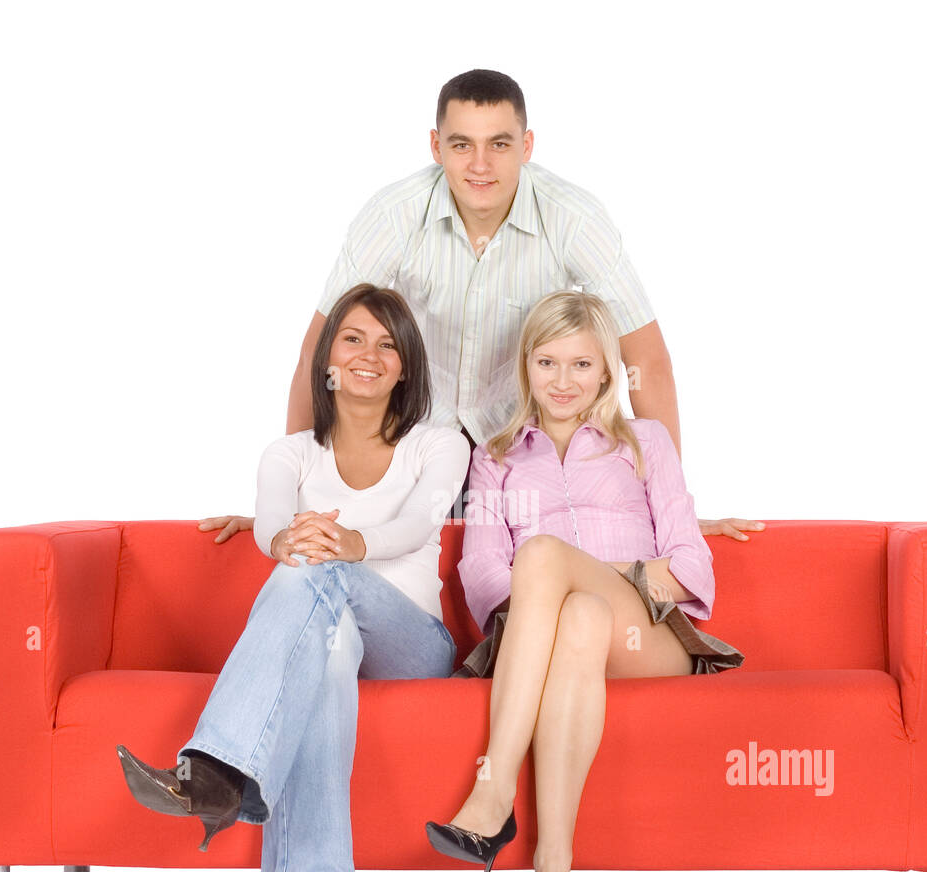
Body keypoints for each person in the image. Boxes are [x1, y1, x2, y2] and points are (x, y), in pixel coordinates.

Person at [199, 68, 763, 545]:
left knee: (548, 563)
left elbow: (646, 361)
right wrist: (296, 498)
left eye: (500, 144)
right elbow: (319, 356)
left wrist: (674, 514)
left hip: (523, 439)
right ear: (435, 146)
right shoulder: (394, 215)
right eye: (461, 144)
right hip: (416, 434)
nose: (480, 165)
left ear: (528, 146)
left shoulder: (574, 217)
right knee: (393, 555)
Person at [116, 284, 470, 872]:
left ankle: (216, 772)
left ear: (407, 367)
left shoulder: (439, 444)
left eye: (389, 345)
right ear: (328, 359)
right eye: (354, 339)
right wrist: (282, 542)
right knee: (327, 646)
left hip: (413, 642)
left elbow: (422, 519)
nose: (370, 355)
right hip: (332, 632)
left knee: (318, 573)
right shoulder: (290, 454)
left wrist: (349, 546)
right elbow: (276, 521)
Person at [423, 290, 742, 872]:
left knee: (548, 561)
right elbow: (481, 575)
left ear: (605, 372)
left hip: (649, 632)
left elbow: (689, 565)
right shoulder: (496, 457)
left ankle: (493, 790)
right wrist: (560, 596)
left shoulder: (644, 441)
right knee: (578, 617)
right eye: (547, 363)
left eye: (581, 365)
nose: (562, 382)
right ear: (525, 368)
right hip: (556, 629)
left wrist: (591, 570)